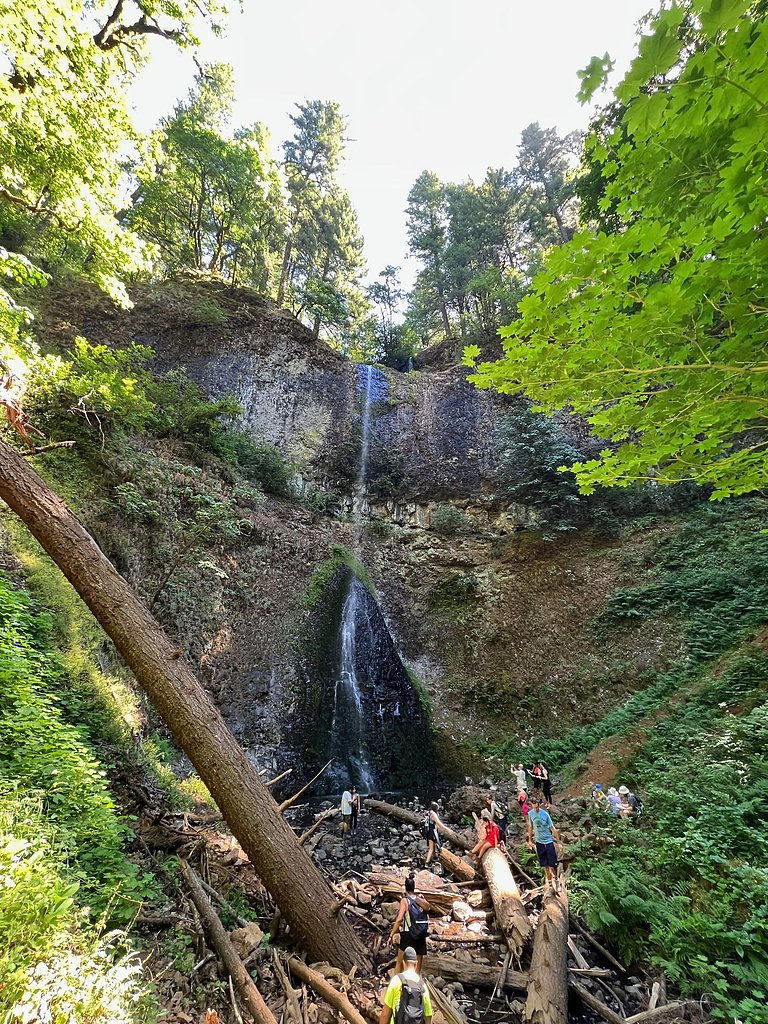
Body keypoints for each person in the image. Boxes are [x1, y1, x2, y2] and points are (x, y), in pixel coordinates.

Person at [388, 875, 431, 975]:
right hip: (420, 934)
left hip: (408, 935)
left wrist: (391, 934)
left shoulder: (405, 900)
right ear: (414, 887)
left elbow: (399, 919)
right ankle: (416, 983)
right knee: (418, 962)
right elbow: (428, 908)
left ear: (405, 887)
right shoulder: (420, 900)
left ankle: (395, 983)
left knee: (399, 962)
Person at [379, 946, 432, 1024]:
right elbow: (428, 1016)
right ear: (416, 964)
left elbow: (385, 1014)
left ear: (403, 963)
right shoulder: (422, 986)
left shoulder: (396, 981)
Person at [526, 794, 561, 891]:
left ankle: (557, 881)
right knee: (544, 864)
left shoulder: (545, 814)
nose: (535, 807)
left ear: (539, 804)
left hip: (548, 841)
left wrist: (558, 842)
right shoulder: (531, 814)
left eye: (536, 805)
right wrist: (530, 840)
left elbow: (552, 828)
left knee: (552, 864)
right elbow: (530, 827)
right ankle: (550, 884)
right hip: (539, 841)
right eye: (533, 805)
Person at [424, 802, 443, 867]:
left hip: (428, 831)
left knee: (433, 846)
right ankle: (427, 862)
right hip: (432, 831)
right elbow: (438, 823)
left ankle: (433, 858)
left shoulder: (429, 813)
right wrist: (446, 829)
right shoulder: (433, 814)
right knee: (432, 848)